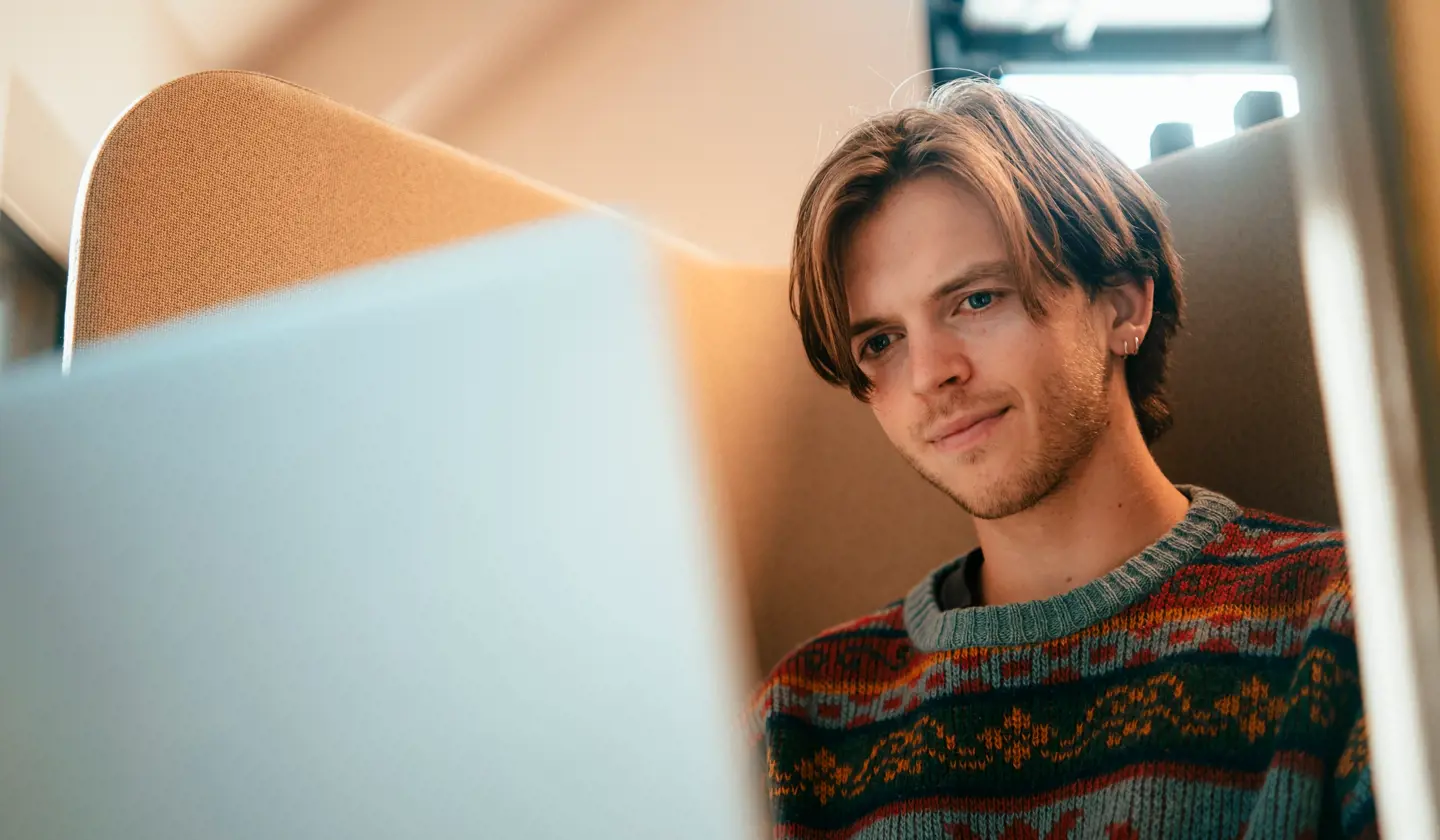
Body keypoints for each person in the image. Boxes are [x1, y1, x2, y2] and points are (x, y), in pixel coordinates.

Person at [749, 79, 1377, 839]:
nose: (929, 375)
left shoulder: (1344, 623)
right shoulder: (804, 720)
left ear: (1122, 304)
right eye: (881, 342)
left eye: (976, 300)